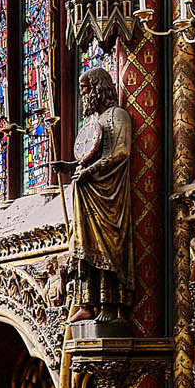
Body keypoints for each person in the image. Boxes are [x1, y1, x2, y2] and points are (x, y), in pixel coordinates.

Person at [63, 62, 133, 316]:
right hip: (89, 193)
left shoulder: (118, 116)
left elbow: (122, 152)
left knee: (108, 248)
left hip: (109, 196)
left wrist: (89, 172)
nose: (83, 97)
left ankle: (108, 303)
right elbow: (91, 154)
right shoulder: (98, 121)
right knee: (86, 248)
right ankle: (88, 303)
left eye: (85, 90)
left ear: (98, 89)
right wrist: (71, 165)